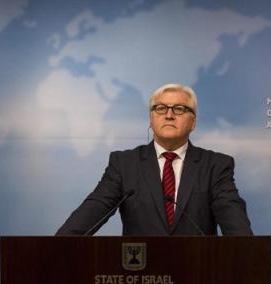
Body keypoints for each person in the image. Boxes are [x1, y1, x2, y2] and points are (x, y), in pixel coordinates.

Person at [57, 83, 252, 236]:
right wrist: (51, 250)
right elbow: (91, 214)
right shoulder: (124, 164)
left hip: (199, 274)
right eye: (160, 108)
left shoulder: (216, 165)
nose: (169, 115)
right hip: (140, 277)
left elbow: (235, 224)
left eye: (179, 109)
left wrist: (249, 256)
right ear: (151, 120)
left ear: (193, 122)